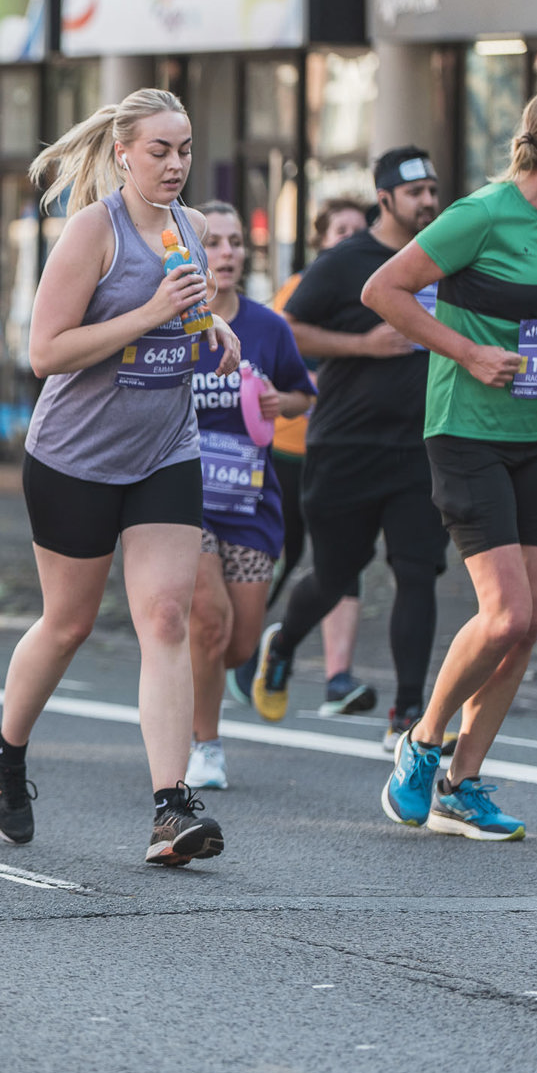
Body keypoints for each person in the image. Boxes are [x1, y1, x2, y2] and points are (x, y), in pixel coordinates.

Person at [0, 88, 240, 864]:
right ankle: (4, 751)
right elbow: (45, 352)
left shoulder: (189, 227)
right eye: (160, 150)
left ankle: (171, 808)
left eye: (184, 149)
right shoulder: (95, 230)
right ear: (123, 153)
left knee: (166, 617)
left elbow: (184, 310)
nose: (175, 164)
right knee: (69, 624)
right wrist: (153, 312)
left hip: (165, 449)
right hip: (76, 457)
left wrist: (212, 325)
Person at [366, 80, 537, 841]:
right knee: (505, 614)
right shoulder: (480, 213)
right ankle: (422, 742)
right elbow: (385, 290)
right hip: (467, 430)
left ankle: (461, 785)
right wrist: (468, 352)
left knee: (528, 623)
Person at [249, 145, 450, 749]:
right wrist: (364, 345)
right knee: (336, 573)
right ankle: (283, 643)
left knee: (417, 572)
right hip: (346, 444)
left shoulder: (446, 256)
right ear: (384, 199)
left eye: (432, 191)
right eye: (415, 193)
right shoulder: (345, 262)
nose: (428, 202)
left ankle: (407, 716)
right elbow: (289, 329)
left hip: (421, 446)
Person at [183, 203, 315, 790]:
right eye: (214, 242)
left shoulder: (269, 327)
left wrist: (279, 403)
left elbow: (302, 394)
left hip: (249, 501)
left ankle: (191, 676)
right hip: (184, 500)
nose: (228, 253)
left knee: (235, 647)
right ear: (192, 252)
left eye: (236, 242)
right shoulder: (173, 323)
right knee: (208, 622)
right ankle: (204, 745)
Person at [239, 197, 373, 715]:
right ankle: (241, 647)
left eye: (359, 229)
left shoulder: (379, 293)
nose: (350, 238)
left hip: (349, 449)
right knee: (285, 552)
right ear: (321, 239)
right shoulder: (298, 292)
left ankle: (339, 678)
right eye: (340, 229)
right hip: (292, 449)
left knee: (346, 558)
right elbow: (268, 364)